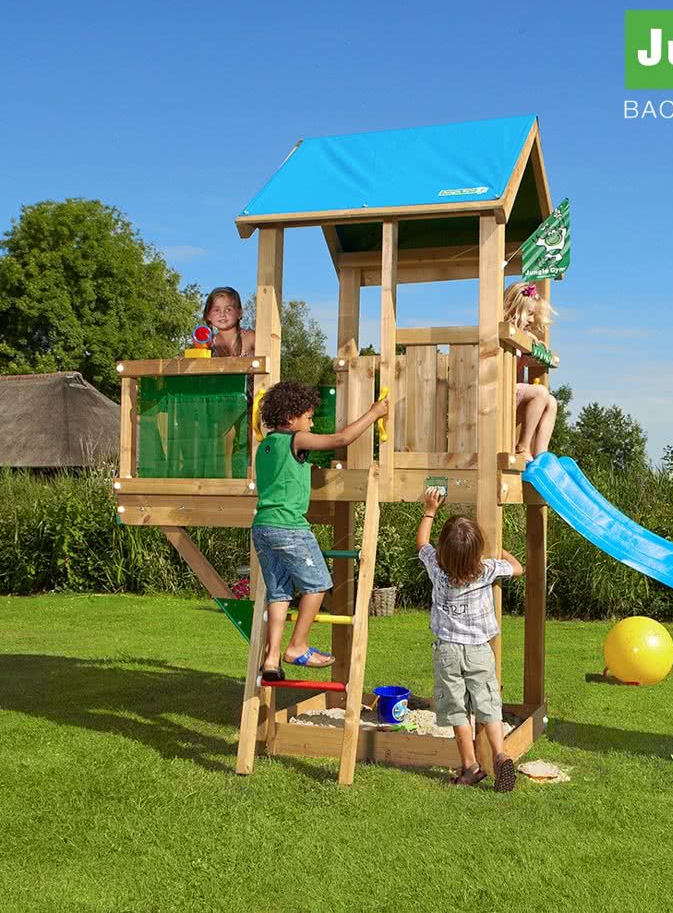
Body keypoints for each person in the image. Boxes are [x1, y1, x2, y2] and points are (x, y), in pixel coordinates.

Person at [253, 381, 389, 680]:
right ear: (291, 418)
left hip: (263, 527)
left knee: (279, 593)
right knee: (318, 585)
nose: (311, 423)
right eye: (309, 417)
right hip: (289, 528)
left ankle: (272, 659)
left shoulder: (265, 444)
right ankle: (297, 646)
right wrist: (374, 412)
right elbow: (342, 438)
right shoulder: (297, 440)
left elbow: (283, 476)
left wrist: (306, 473)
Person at [416, 486, 523, 791]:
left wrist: (430, 510)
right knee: (488, 702)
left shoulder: (437, 568)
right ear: (478, 553)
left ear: (443, 552)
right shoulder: (486, 570)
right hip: (478, 650)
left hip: (447, 651)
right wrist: (494, 548)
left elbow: (422, 542)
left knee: (456, 709)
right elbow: (518, 568)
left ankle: (470, 766)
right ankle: (501, 755)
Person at [503, 281, 557, 461]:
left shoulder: (522, 337)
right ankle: (522, 447)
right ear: (513, 307)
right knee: (540, 392)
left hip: (512, 392)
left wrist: (534, 346)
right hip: (500, 391)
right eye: (529, 314)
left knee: (551, 402)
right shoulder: (503, 332)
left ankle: (541, 454)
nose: (532, 320)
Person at [203, 286, 255, 357]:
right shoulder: (208, 344)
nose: (222, 314)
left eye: (228, 309)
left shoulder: (250, 337)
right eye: (217, 310)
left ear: (239, 313)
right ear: (208, 315)